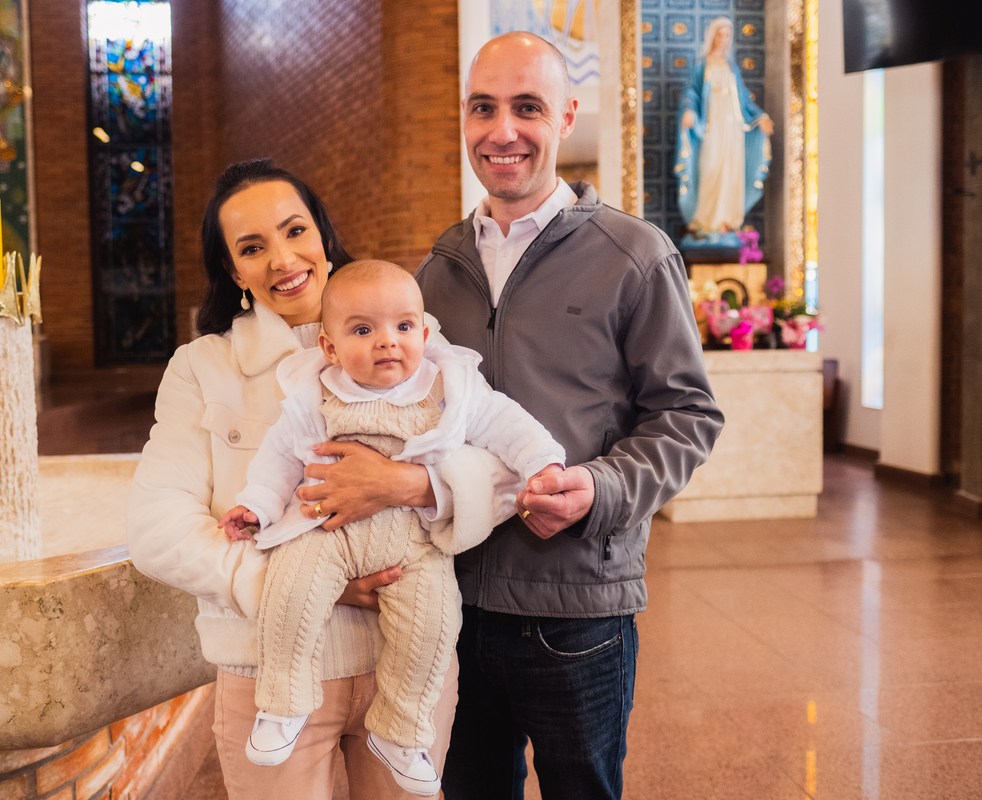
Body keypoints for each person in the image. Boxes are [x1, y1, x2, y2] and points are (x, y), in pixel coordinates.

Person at [127, 159, 513, 800]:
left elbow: (501, 468)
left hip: (407, 668)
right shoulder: (204, 368)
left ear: (324, 238)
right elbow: (156, 528)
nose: (282, 259)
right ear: (235, 272)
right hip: (268, 676)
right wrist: (308, 583)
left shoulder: (414, 342)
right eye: (253, 247)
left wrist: (407, 485)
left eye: (295, 231)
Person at [416, 32, 724, 799]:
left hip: (576, 608)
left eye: (528, 107)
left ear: (566, 117)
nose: (503, 131)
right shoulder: (436, 270)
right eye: (483, 108)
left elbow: (687, 414)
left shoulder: (633, 254)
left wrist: (600, 489)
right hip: (453, 604)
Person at [218, 261, 565, 796]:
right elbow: (278, 461)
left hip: (413, 542)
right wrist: (257, 507)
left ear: (424, 334)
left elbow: (505, 422)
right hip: (324, 531)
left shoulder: (448, 388)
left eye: (403, 327)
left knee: (434, 622)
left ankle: (401, 733)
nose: (387, 342)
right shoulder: (315, 395)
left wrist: (543, 462)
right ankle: (283, 704)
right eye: (363, 330)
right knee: (290, 591)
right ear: (330, 348)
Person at [676, 16, 774, 246]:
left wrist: (760, 117)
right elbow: (691, 93)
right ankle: (704, 222)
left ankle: (727, 223)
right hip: (711, 130)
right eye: (719, 34)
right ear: (712, 36)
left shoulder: (731, 67)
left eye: (727, 35)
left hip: (732, 131)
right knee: (710, 169)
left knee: (731, 173)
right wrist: (689, 110)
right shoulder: (702, 65)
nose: (723, 39)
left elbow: (744, 100)